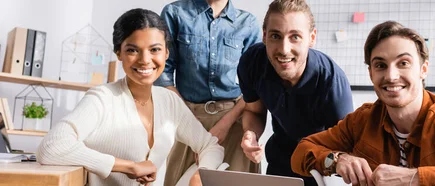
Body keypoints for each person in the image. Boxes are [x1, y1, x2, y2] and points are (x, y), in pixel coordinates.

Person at [290, 21, 435, 186]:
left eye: (403, 63)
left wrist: (414, 178)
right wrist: (337, 159)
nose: (391, 76)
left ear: (423, 69)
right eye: (380, 65)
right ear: (371, 73)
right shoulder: (363, 119)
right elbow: (301, 152)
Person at [37, 8, 224, 186]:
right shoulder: (102, 98)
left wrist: (201, 174)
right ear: (119, 53)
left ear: (166, 53)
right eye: (132, 50)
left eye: (155, 49)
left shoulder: (170, 101)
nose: (145, 59)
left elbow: (211, 146)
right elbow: (51, 147)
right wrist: (127, 166)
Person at [237, 0, 354, 185]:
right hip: (279, 161)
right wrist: (250, 134)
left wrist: (328, 164)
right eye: (276, 36)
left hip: (319, 167)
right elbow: (254, 111)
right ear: (265, 36)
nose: (284, 49)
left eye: (295, 37)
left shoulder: (332, 82)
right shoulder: (252, 62)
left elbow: (347, 149)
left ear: (312, 38)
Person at [155, 0, 261, 184]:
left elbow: (255, 83)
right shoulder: (175, 13)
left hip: (234, 121)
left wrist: (225, 124)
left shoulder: (248, 23)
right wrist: (190, 125)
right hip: (186, 117)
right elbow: (162, 72)